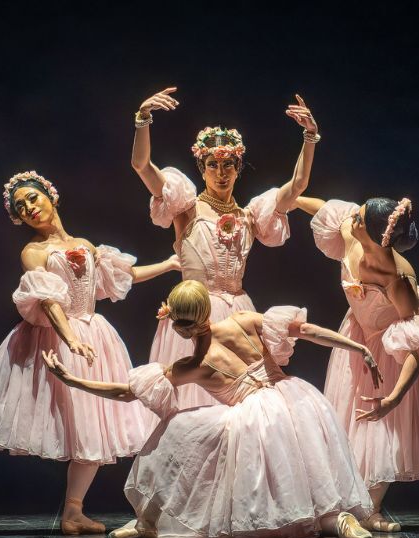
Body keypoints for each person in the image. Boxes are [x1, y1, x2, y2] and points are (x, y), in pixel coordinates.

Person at [0, 170, 178, 534]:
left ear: (51, 197)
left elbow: (122, 276)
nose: (29, 207)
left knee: (94, 426)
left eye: (32, 198)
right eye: (20, 206)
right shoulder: (33, 252)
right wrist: (69, 338)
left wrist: (168, 264)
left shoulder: (85, 244)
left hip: (92, 335)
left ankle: (73, 512)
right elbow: (48, 300)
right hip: (44, 341)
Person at [42, 280, 383, 538]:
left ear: (177, 325)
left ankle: (148, 520)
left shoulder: (194, 364)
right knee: (308, 469)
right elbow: (305, 330)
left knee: (176, 429)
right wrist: (357, 347)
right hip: (297, 398)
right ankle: (338, 519)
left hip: (257, 416)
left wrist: (72, 380)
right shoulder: (242, 321)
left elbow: (126, 392)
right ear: (206, 311)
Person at [297, 195, 419, 530]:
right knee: (408, 413)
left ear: (377, 237)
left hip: (396, 338)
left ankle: (375, 507)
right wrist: (288, 199)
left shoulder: (398, 279)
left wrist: (395, 397)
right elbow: (326, 208)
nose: (352, 218)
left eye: (360, 218)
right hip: (362, 333)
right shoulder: (351, 233)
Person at [130, 87, 320, 410]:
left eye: (229, 164)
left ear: (238, 166)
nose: (221, 173)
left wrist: (310, 137)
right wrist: (143, 119)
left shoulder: (250, 215)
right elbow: (142, 165)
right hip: (196, 313)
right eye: (212, 165)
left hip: (238, 315)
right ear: (202, 168)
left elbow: (298, 185)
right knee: (194, 406)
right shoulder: (186, 207)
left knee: (244, 406)